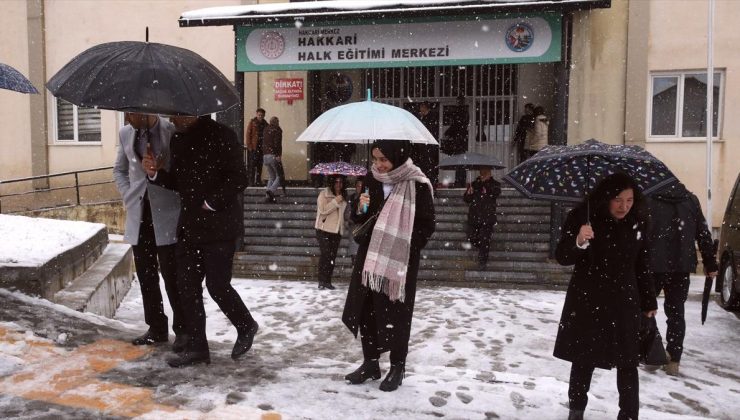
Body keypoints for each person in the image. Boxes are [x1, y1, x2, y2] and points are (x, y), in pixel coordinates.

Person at [145, 115, 258, 368]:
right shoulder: (178, 139)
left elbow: (239, 178)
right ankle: (197, 348)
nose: (173, 119)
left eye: (178, 113)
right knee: (187, 287)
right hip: (189, 226)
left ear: (195, 111)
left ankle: (246, 325)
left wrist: (212, 202)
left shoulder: (223, 135)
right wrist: (155, 174)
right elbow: (179, 182)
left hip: (219, 226)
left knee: (217, 286)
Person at [554, 173, 658, 420]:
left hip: (624, 301)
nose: (624, 206)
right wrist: (579, 240)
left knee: (627, 363)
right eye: (618, 200)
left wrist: (649, 301)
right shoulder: (583, 218)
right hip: (589, 300)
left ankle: (629, 415)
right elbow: (562, 256)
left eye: (630, 200)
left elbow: (642, 265)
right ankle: (576, 410)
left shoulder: (638, 223)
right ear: (605, 198)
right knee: (584, 359)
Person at [342, 140, 435, 392]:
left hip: (399, 260)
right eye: (375, 159)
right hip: (369, 257)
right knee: (365, 310)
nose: (378, 165)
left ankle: (397, 366)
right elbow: (361, 217)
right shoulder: (371, 180)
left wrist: (403, 242)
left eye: (384, 159)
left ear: (398, 157)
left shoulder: (417, 183)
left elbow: (427, 225)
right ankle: (371, 363)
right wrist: (358, 207)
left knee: (397, 314)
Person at [113, 113, 185, 351]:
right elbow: (119, 171)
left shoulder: (171, 131)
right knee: (146, 275)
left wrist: (161, 170)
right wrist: (128, 194)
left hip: (167, 214)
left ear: (145, 111)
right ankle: (156, 327)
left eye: (131, 112)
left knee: (172, 276)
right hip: (139, 214)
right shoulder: (126, 133)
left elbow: (180, 172)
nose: (127, 117)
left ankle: (183, 331)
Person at [647, 182, 718, 376]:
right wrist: (710, 262)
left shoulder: (650, 198)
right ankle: (674, 358)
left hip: (654, 264)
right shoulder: (690, 200)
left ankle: (653, 350)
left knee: (645, 309)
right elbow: (703, 233)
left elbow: (642, 234)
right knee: (676, 311)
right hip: (682, 264)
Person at [463, 167, 502, 269]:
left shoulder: (495, 184)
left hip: (487, 217)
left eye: (485, 172)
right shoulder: (474, 184)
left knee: (484, 239)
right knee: (472, 237)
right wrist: (468, 193)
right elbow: (467, 199)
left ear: (489, 172)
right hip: (474, 217)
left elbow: (495, 193)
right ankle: (483, 248)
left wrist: (486, 184)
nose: (482, 174)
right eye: (481, 172)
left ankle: (482, 261)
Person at [315, 175, 347, 290]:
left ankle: (327, 281)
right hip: (323, 230)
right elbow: (323, 210)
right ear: (332, 183)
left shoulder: (343, 196)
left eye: (341, 182)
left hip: (336, 231)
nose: (339, 184)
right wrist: (336, 200)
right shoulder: (324, 194)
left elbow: (342, 214)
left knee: (332, 257)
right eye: (336, 182)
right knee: (326, 255)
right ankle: (321, 281)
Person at [442, 95, 469, 187]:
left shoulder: (460, 112)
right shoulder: (464, 112)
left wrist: (448, 133)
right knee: (461, 163)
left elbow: (456, 125)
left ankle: (459, 182)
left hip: (459, 141)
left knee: (459, 162)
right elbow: (458, 125)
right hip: (461, 141)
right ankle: (461, 181)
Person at [412, 101, 439, 188]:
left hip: (429, 149)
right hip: (423, 150)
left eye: (421, 107)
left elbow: (431, 132)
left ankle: (431, 186)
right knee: (425, 169)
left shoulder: (431, 119)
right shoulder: (423, 119)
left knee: (429, 169)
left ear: (425, 108)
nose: (420, 110)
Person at [344, 177, 365, 265]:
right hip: (354, 230)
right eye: (358, 186)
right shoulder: (351, 198)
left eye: (361, 186)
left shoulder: (367, 198)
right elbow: (347, 214)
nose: (359, 188)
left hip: (364, 229)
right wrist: (354, 218)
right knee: (355, 255)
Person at [262, 116, 282, 203]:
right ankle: (271, 191)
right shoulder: (277, 130)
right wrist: (278, 154)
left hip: (265, 155)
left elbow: (264, 142)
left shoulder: (266, 129)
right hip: (273, 155)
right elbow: (277, 143)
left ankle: (267, 197)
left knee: (271, 176)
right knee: (279, 176)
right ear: (277, 122)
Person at [245, 108, 267, 187]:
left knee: (259, 166)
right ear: (256, 114)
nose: (260, 116)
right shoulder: (252, 122)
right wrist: (250, 147)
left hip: (261, 149)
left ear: (264, 115)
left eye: (261, 115)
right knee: (252, 166)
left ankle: (258, 181)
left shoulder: (265, 124)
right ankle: (251, 182)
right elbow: (248, 135)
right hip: (254, 148)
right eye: (259, 115)